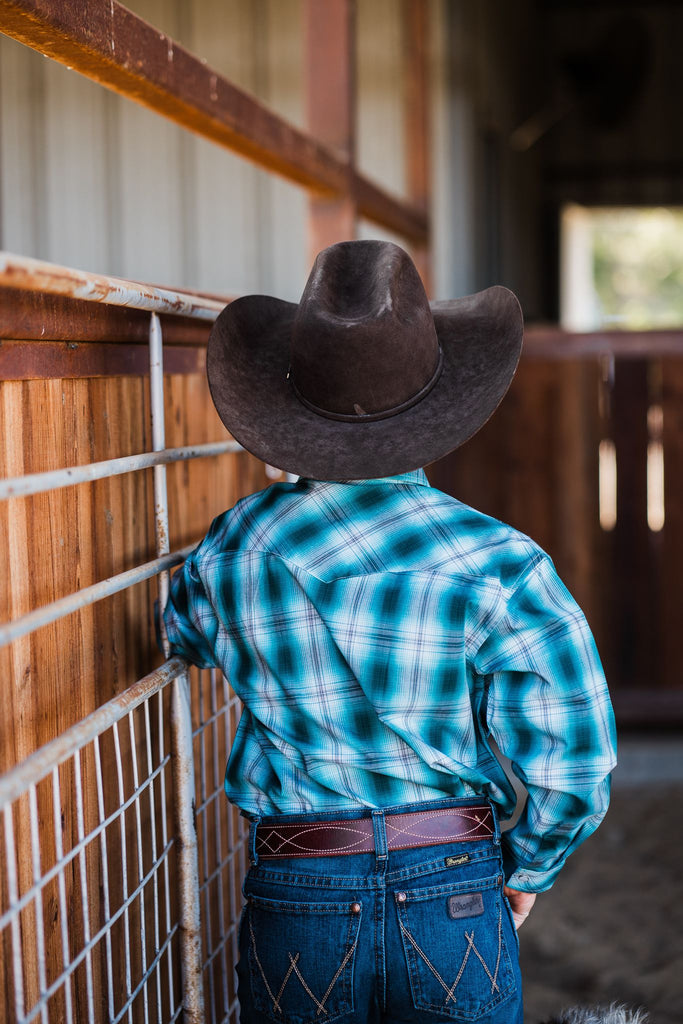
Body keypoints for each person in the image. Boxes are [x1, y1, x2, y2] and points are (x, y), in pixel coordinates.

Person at [163, 240, 617, 1024]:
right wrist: (529, 867)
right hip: (452, 876)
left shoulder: (234, 547)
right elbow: (575, 755)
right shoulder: (495, 560)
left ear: (291, 402)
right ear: (435, 401)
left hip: (298, 882)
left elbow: (185, 634)